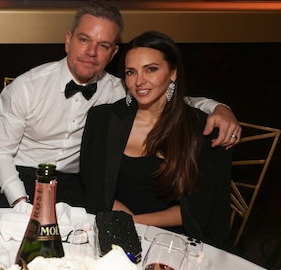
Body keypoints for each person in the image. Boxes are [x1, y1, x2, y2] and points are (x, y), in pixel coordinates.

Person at [0, 0, 240, 208]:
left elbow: (167, 97)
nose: (91, 52)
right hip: (21, 175)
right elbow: (0, 154)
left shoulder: (120, 88)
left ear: (113, 53)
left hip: (75, 184)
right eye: (84, 40)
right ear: (68, 40)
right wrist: (19, 200)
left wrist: (217, 107)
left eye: (103, 45)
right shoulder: (26, 87)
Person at [79, 31, 233, 248]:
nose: (139, 81)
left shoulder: (201, 129)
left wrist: (137, 224)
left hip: (172, 240)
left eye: (151, 69)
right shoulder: (102, 118)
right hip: (112, 228)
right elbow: (93, 186)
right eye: (131, 72)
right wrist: (125, 225)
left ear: (173, 72)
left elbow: (200, 207)